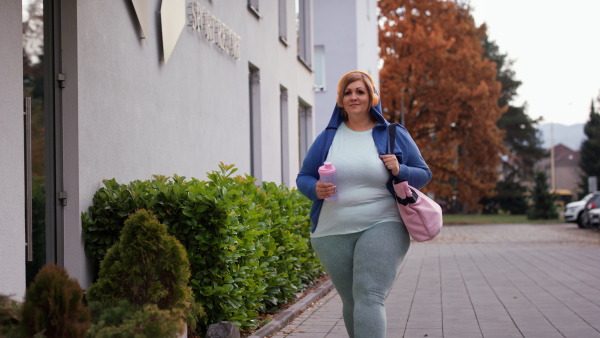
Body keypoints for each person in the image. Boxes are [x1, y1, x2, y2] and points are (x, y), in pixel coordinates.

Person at [296, 71, 432, 338]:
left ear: (372, 97)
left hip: (383, 222)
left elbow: (423, 173)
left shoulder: (392, 134)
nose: (354, 97)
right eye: (348, 92)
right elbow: (303, 178)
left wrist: (399, 168)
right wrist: (315, 189)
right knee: (352, 301)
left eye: (360, 91)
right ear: (340, 100)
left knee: (369, 295)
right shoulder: (328, 138)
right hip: (331, 231)